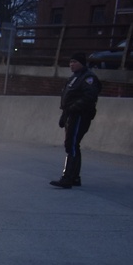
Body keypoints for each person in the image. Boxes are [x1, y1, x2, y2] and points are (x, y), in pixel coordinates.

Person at [50, 52, 101, 189]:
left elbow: (89, 97)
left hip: (80, 115)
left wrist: (73, 108)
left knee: (71, 145)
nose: (71, 64)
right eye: (70, 62)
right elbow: (68, 97)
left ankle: (67, 178)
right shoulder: (75, 77)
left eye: (75, 62)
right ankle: (75, 177)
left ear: (82, 63)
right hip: (71, 114)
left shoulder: (88, 78)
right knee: (72, 145)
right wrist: (64, 115)